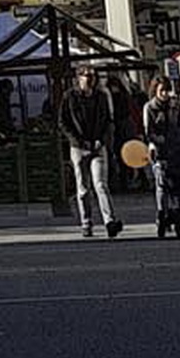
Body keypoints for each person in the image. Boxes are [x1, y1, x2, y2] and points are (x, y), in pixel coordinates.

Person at [60, 67, 121, 239]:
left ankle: (110, 222)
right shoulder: (70, 97)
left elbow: (108, 120)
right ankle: (86, 223)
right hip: (78, 147)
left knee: (100, 184)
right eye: (87, 76)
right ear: (79, 78)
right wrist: (77, 141)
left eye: (92, 76)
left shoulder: (101, 96)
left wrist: (101, 140)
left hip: (97, 146)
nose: (90, 79)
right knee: (83, 188)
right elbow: (63, 122)